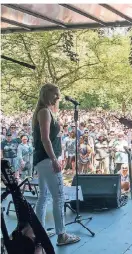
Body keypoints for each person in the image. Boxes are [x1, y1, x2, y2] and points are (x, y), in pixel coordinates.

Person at [32, 84, 80, 246]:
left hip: (41, 159)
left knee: (43, 197)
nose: (58, 98)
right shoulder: (45, 112)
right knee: (58, 196)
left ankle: (40, 231)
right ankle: (62, 235)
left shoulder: (45, 111)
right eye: (55, 95)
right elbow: (45, 138)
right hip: (47, 159)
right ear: (46, 94)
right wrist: (54, 159)